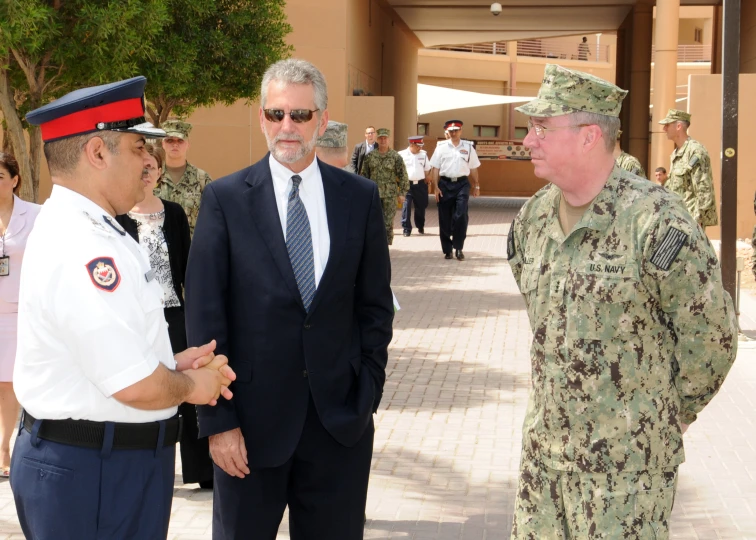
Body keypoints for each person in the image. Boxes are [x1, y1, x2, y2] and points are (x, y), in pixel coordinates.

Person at [508, 64, 737, 539]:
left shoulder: (655, 222)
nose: (528, 140)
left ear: (589, 135)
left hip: (626, 476)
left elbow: (711, 338)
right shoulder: (531, 220)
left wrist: (663, 414)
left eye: (542, 128)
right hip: (545, 464)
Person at [13, 76, 236, 540]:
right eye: (138, 147)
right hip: (94, 470)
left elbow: (112, 360)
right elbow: (133, 385)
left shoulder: (101, 230)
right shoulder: (84, 245)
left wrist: (169, 364)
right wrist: (195, 384)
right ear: (97, 153)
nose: (150, 161)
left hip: (107, 464)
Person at [185, 59, 394, 539]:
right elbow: (205, 317)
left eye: (300, 115)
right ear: (261, 118)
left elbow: (375, 308)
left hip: (339, 427)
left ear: (322, 120)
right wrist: (218, 421)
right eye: (276, 113)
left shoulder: (359, 198)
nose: (287, 126)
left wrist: (367, 394)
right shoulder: (225, 199)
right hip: (248, 433)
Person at [115, 144, 214, 490]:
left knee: (187, 387)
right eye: (141, 165)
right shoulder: (118, 216)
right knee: (147, 386)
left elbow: (189, 269)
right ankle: (144, 468)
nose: (146, 172)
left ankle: (202, 470)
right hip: (138, 317)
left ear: (158, 173)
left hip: (175, 312)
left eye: (151, 167)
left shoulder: (173, 213)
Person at [0, 154, 40, 478]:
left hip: (18, 310)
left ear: (14, 179)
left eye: (0, 175)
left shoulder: (36, 215)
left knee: (9, 382)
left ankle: (5, 444)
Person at [429, 120, 481, 261]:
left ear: (461, 131)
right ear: (447, 132)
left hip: (462, 184)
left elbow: (474, 167)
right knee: (444, 217)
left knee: (461, 215)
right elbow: (435, 168)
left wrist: (476, 185)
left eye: (456, 130)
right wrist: (436, 187)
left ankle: (458, 248)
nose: (453, 133)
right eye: (451, 131)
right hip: (445, 184)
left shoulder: (469, 147)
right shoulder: (441, 147)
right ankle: (447, 250)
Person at [660, 109, 718, 228]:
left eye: (667, 125)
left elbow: (704, 188)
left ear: (678, 126)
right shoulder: (677, 153)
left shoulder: (695, 151)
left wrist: (698, 220)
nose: (664, 129)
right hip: (677, 216)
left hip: (690, 219)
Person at [154, 119, 213, 236]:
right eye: (170, 140)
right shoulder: (153, 176)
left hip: (191, 249)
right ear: (163, 143)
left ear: (188, 144)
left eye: (180, 140)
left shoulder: (202, 179)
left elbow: (211, 217)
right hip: (159, 248)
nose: (175, 144)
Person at [360, 128, 410, 246]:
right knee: (374, 222)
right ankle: (375, 247)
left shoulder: (395, 157)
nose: (383, 140)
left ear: (389, 139)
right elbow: (364, 176)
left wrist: (402, 193)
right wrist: (363, 193)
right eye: (381, 138)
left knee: (387, 223)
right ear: (377, 139)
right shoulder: (370, 157)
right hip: (374, 195)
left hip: (390, 196)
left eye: (385, 138)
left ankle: (386, 248)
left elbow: (403, 175)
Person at [399, 135, 431, 236]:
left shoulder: (423, 155)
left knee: (421, 207)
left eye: (421, 146)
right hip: (407, 185)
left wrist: (428, 183)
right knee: (406, 206)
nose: (420, 148)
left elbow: (427, 170)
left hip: (420, 184)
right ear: (412, 144)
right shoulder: (402, 154)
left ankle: (420, 225)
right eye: (418, 146)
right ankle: (406, 228)